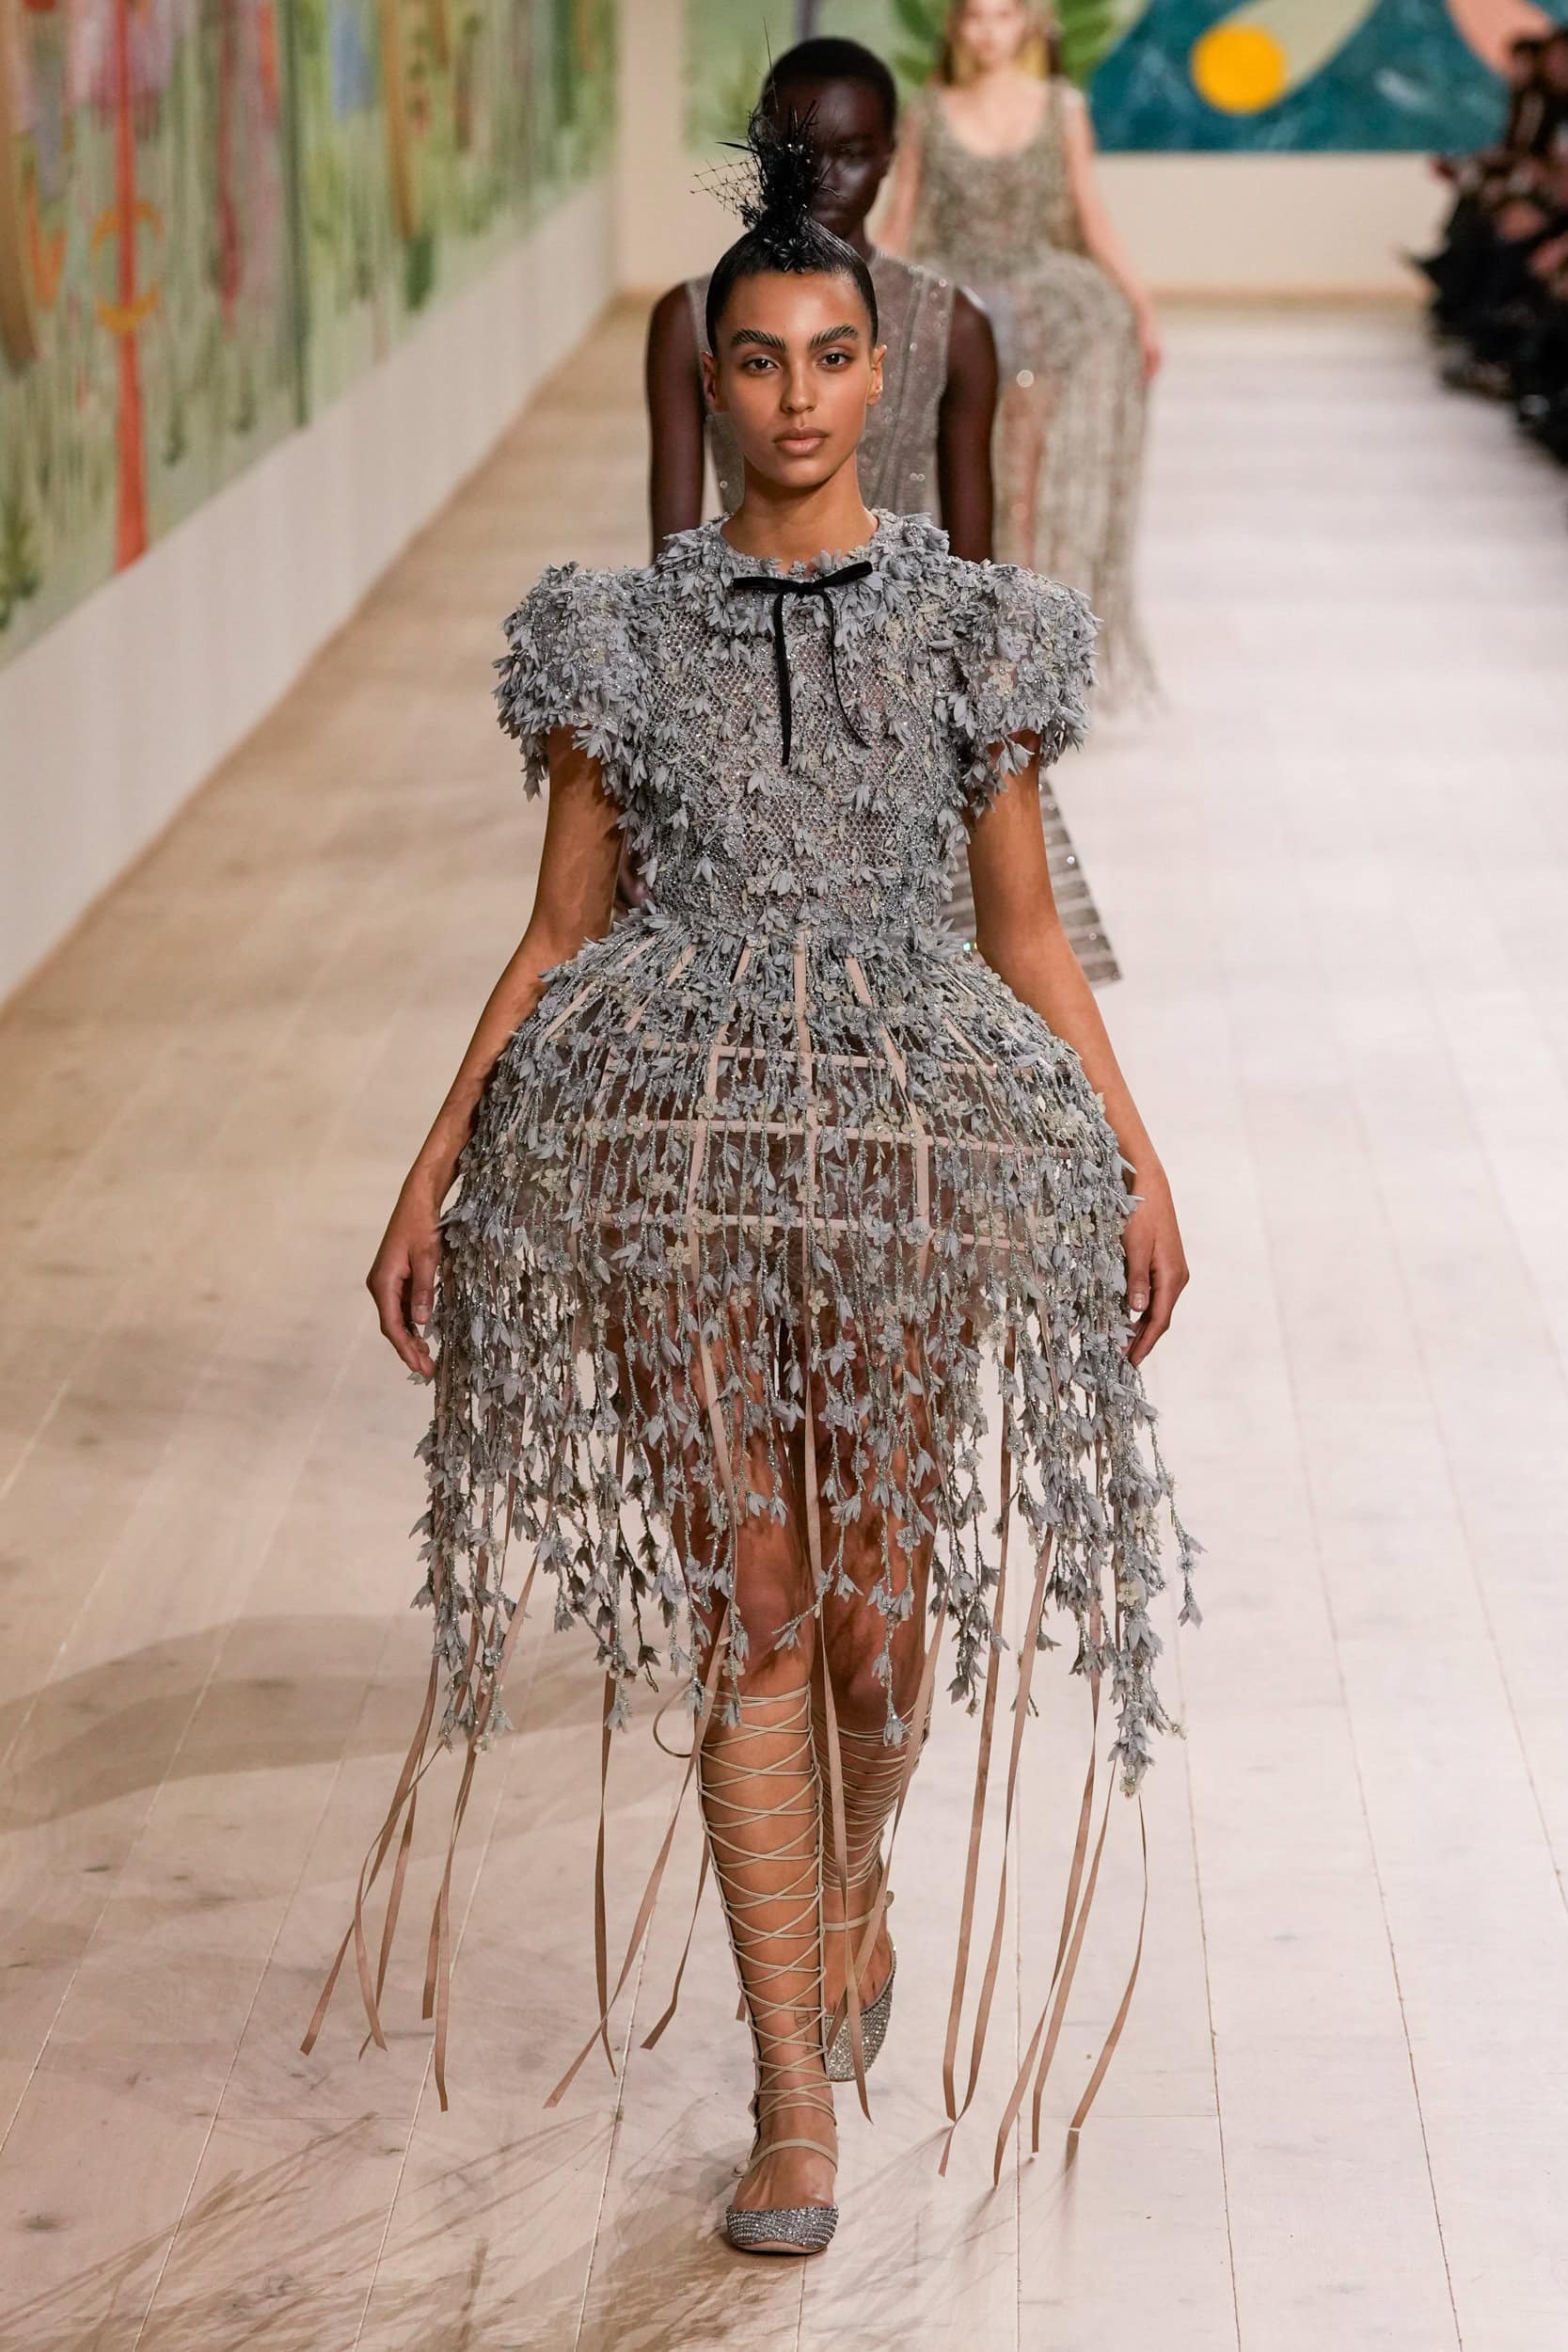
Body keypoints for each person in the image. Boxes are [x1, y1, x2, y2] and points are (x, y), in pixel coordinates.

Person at [305, 111, 1196, 2260]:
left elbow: (1024, 933)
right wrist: (436, 1167)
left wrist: (1131, 1158)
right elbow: (556, 929)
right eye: (758, 360)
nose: (797, 397)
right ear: (707, 381)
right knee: (759, 1604)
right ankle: (790, 2092)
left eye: (831, 356)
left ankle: (848, 1879)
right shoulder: (611, 639)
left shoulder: (977, 634)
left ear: (883, 372)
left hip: (903, 1139)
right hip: (668, 1140)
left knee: (881, 1636)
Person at [645, 32, 1120, 980]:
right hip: (742, 687)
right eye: (801, 150)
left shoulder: (951, 323)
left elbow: (976, 573)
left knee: (969, 974)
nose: (827, 177)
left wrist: (970, 714)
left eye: (855, 152)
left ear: (893, 156)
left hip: (909, 698)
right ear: (761, 149)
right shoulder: (690, 316)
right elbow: (671, 562)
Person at [879, 0, 1161, 702]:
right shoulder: (928, 112)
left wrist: (1140, 307)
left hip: (1041, 310)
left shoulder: (1062, 108)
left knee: (1025, 479)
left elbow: (1091, 218)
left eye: (1003, 15)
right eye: (975, 17)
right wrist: (851, 301)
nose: (988, 32)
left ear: (1029, 22)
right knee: (957, 472)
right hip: (951, 307)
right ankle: (956, 631)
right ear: (956, 26)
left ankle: (1018, 641)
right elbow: (900, 222)